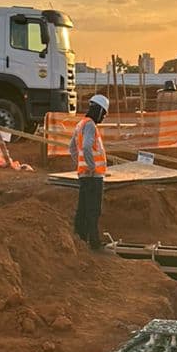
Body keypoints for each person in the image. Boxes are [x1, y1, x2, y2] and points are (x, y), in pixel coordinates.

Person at [69, 93, 109, 250]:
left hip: (84, 174)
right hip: (93, 175)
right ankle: (94, 242)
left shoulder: (80, 124)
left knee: (83, 207)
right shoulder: (90, 125)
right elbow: (85, 147)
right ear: (99, 110)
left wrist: (81, 164)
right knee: (93, 208)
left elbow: (71, 148)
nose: (104, 117)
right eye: (104, 113)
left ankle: (80, 238)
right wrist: (91, 167)